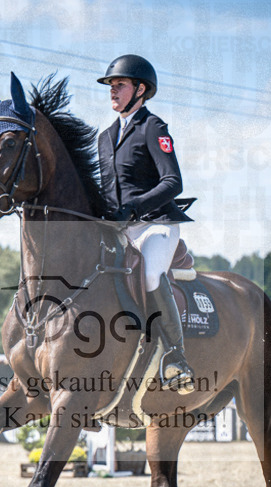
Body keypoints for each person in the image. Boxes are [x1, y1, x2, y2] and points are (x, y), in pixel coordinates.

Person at [97, 54, 194, 392]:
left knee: (150, 272)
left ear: (140, 89)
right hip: (120, 229)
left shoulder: (154, 127)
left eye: (119, 85)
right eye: (111, 86)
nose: (113, 91)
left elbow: (172, 182)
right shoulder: (105, 137)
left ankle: (177, 357)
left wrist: (134, 208)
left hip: (156, 224)